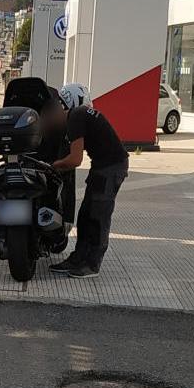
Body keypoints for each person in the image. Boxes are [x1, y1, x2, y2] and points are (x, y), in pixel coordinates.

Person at [46, 83, 128, 279]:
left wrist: (52, 166)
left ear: (65, 106)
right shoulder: (79, 114)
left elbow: (75, 160)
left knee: (98, 215)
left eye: (56, 109)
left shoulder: (76, 117)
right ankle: (77, 258)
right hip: (102, 166)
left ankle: (92, 264)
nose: (53, 115)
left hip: (111, 167)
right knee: (85, 214)